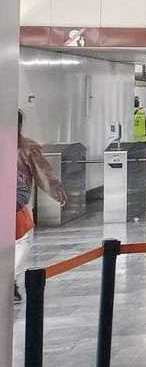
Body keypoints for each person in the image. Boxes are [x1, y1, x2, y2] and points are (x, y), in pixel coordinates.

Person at [16, 111, 68, 300]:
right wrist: (56, 190)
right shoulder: (27, 146)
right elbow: (42, 173)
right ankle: (10, 277)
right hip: (16, 205)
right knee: (23, 239)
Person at [132, 97, 146, 185]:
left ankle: (134, 178)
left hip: (131, 141)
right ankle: (144, 178)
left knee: (133, 160)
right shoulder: (143, 111)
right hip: (142, 140)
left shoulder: (129, 112)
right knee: (143, 159)